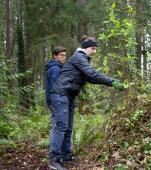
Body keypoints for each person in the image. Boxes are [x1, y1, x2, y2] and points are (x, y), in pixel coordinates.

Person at [48, 35, 125, 170]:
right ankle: (54, 160)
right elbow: (92, 74)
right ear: (85, 48)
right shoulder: (79, 57)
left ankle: (67, 157)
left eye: (95, 49)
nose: (94, 51)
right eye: (93, 48)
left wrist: (110, 83)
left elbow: (91, 79)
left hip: (69, 96)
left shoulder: (83, 59)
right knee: (61, 127)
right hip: (60, 94)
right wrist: (111, 81)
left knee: (68, 128)